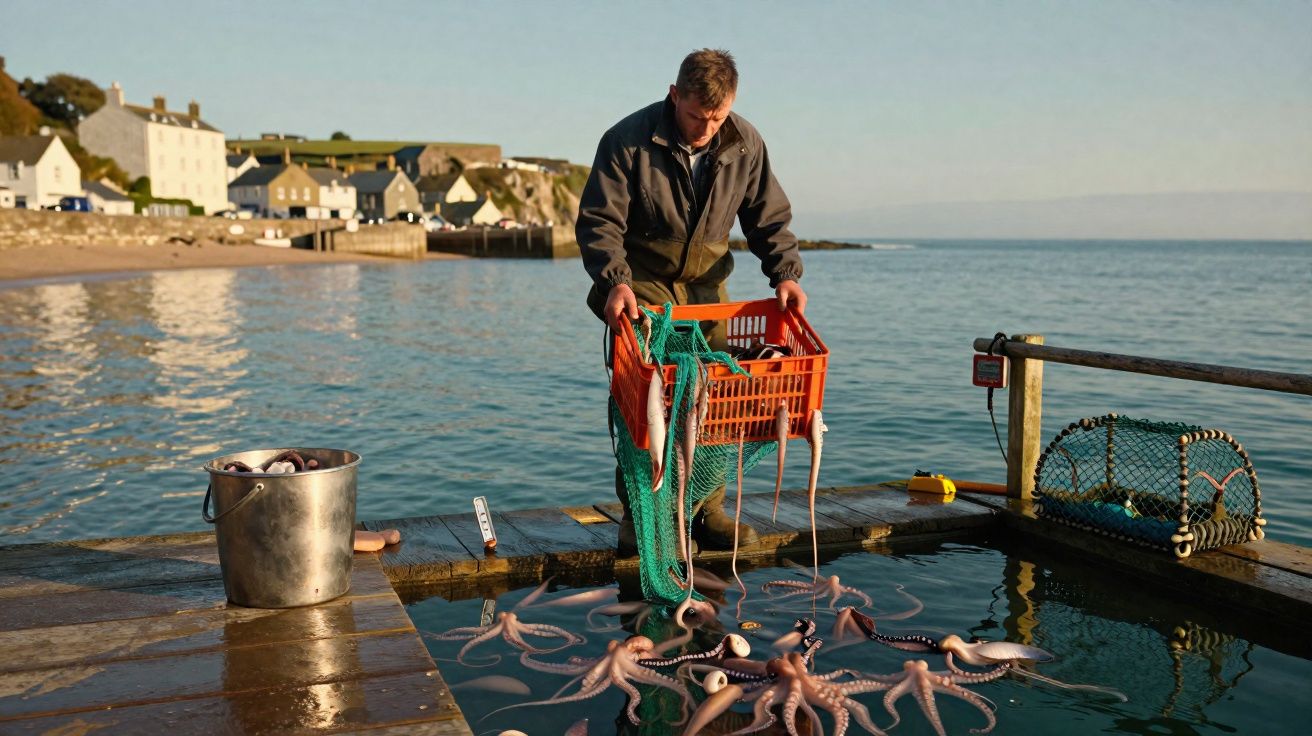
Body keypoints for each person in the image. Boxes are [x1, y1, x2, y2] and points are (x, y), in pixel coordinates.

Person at [577, 48, 807, 556]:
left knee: (715, 400)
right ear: (674, 95)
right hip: (641, 285)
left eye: (716, 118)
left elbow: (767, 217)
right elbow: (599, 222)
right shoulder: (626, 141)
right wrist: (615, 280)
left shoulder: (745, 142)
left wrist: (785, 274)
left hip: (708, 286)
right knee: (647, 402)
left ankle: (706, 511)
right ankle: (641, 517)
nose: (705, 128)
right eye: (696, 116)